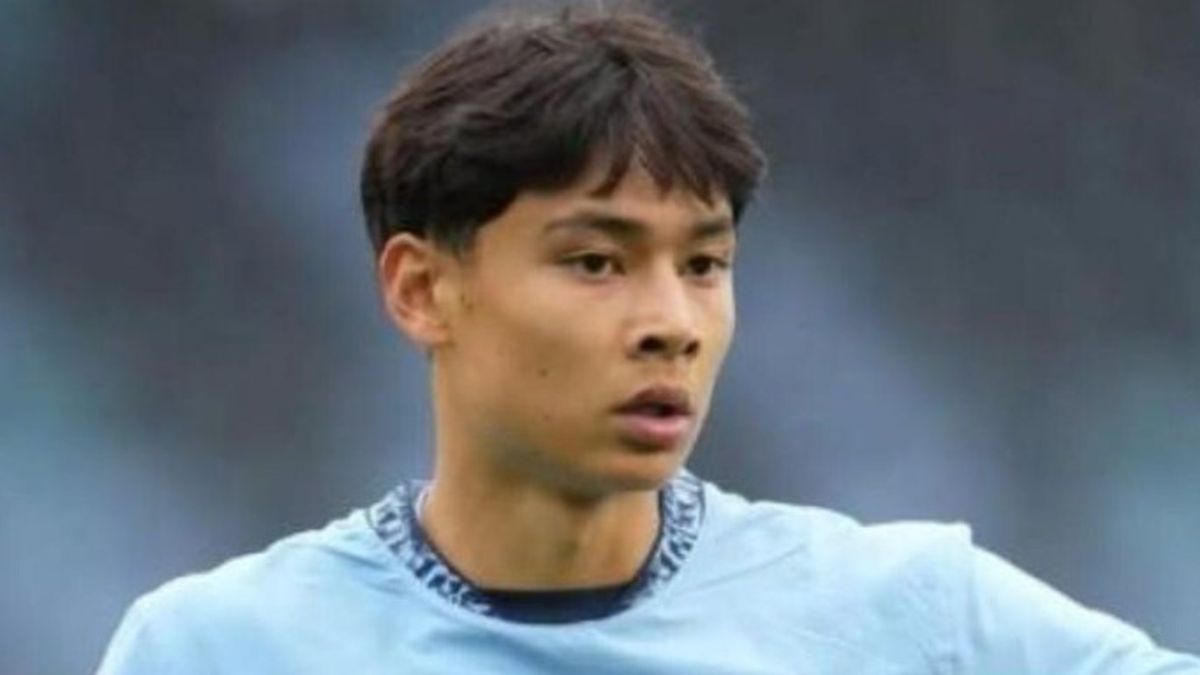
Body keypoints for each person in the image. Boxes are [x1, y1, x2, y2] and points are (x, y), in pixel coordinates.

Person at [98, 4, 1199, 673]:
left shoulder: (915, 614)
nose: (671, 322)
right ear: (422, 290)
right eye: (596, 261)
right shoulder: (211, 649)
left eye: (704, 264)